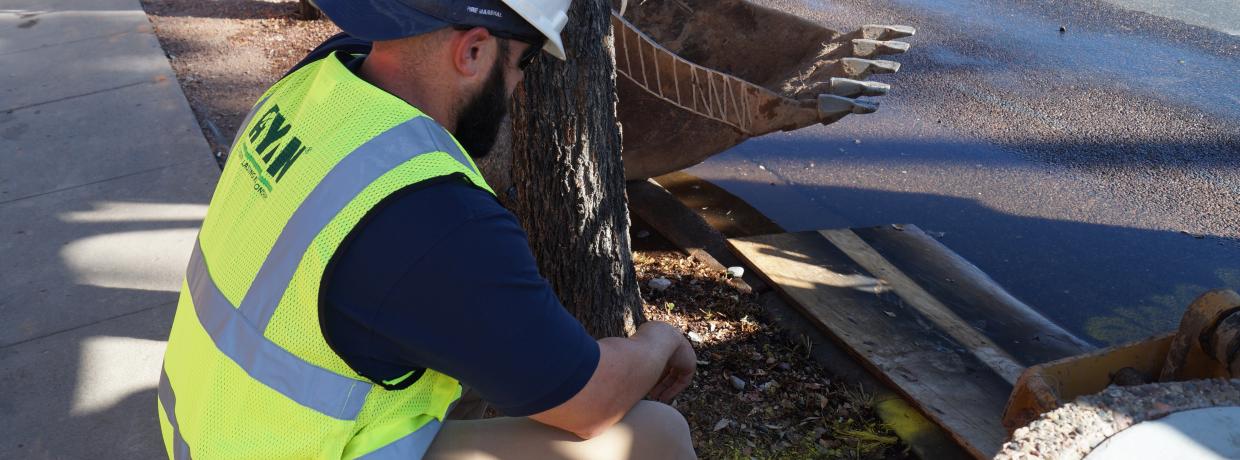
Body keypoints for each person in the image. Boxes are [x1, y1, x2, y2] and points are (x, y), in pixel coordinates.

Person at [155, 0, 698, 458]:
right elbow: (593, 403)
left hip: (212, 429)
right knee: (655, 436)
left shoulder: (314, 83)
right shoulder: (433, 217)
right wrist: (660, 338)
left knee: (466, 378)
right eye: (525, 60)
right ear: (475, 50)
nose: (518, 84)